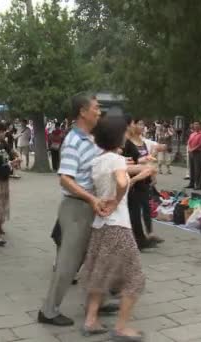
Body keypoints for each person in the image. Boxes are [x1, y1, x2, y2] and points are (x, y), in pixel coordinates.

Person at [39, 93, 112, 327]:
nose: (99, 112)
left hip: (92, 205)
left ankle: (98, 301)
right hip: (77, 208)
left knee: (98, 257)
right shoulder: (73, 141)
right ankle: (48, 311)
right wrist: (91, 198)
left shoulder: (91, 139)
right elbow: (65, 179)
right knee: (69, 262)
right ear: (83, 112)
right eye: (96, 108)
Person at [81, 114, 146, 340]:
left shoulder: (97, 161)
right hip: (118, 225)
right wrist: (117, 201)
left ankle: (90, 320)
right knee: (135, 278)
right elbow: (120, 182)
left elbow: (118, 179)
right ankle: (120, 327)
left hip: (100, 226)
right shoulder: (117, 161)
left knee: (99, 273)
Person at [123, 118, 160, 250]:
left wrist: (148, 160)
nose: (138, 126)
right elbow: (126, 163)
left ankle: (142, 238)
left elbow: (137, 159)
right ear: (128, 126)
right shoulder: (125, 143)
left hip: (139, 179)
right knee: (133, 210)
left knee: (139, 208)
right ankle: (138, 240)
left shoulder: (134, 142)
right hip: (131, 180)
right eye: (135, 123)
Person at [186, 122, 201, 191]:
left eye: (197, 124)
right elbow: (188, 142)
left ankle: (198, 185)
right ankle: (191, 183)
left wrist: (192, 149)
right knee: (192, 168)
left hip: (198, 152)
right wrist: (189, 148)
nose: (196, 125)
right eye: (194, 124)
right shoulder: (192, 134)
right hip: (191, 152)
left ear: (200, 126)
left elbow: (200, 144)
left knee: (198, 169)